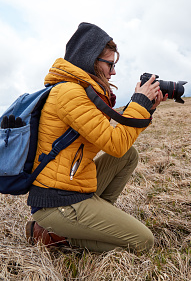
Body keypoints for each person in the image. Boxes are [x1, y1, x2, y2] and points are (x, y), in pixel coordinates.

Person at [25, 22, 166, 253]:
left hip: (75, 185)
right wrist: (139, 104)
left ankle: (95, 222)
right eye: (110, 64)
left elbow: (118, 143)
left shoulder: (77, 90)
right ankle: (53, 235)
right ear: (92, 61)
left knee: (128, 156)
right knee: (143, 242)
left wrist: (146, 108)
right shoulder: (69, 93)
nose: (114, 72)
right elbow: (115, 143)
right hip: (58, 201)